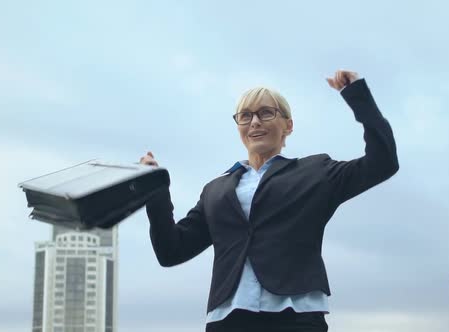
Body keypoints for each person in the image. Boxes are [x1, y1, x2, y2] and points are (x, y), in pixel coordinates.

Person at [140, 69, 399, 332]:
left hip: (295, 315)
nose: (254, 122)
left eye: (266, 113)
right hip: (227, 319)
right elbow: (171, 251)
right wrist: (155, 187)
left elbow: (383, 162)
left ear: (288, 125)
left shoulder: (317, 172)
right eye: (245, 116)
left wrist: (357, 96)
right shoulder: (214, 190)